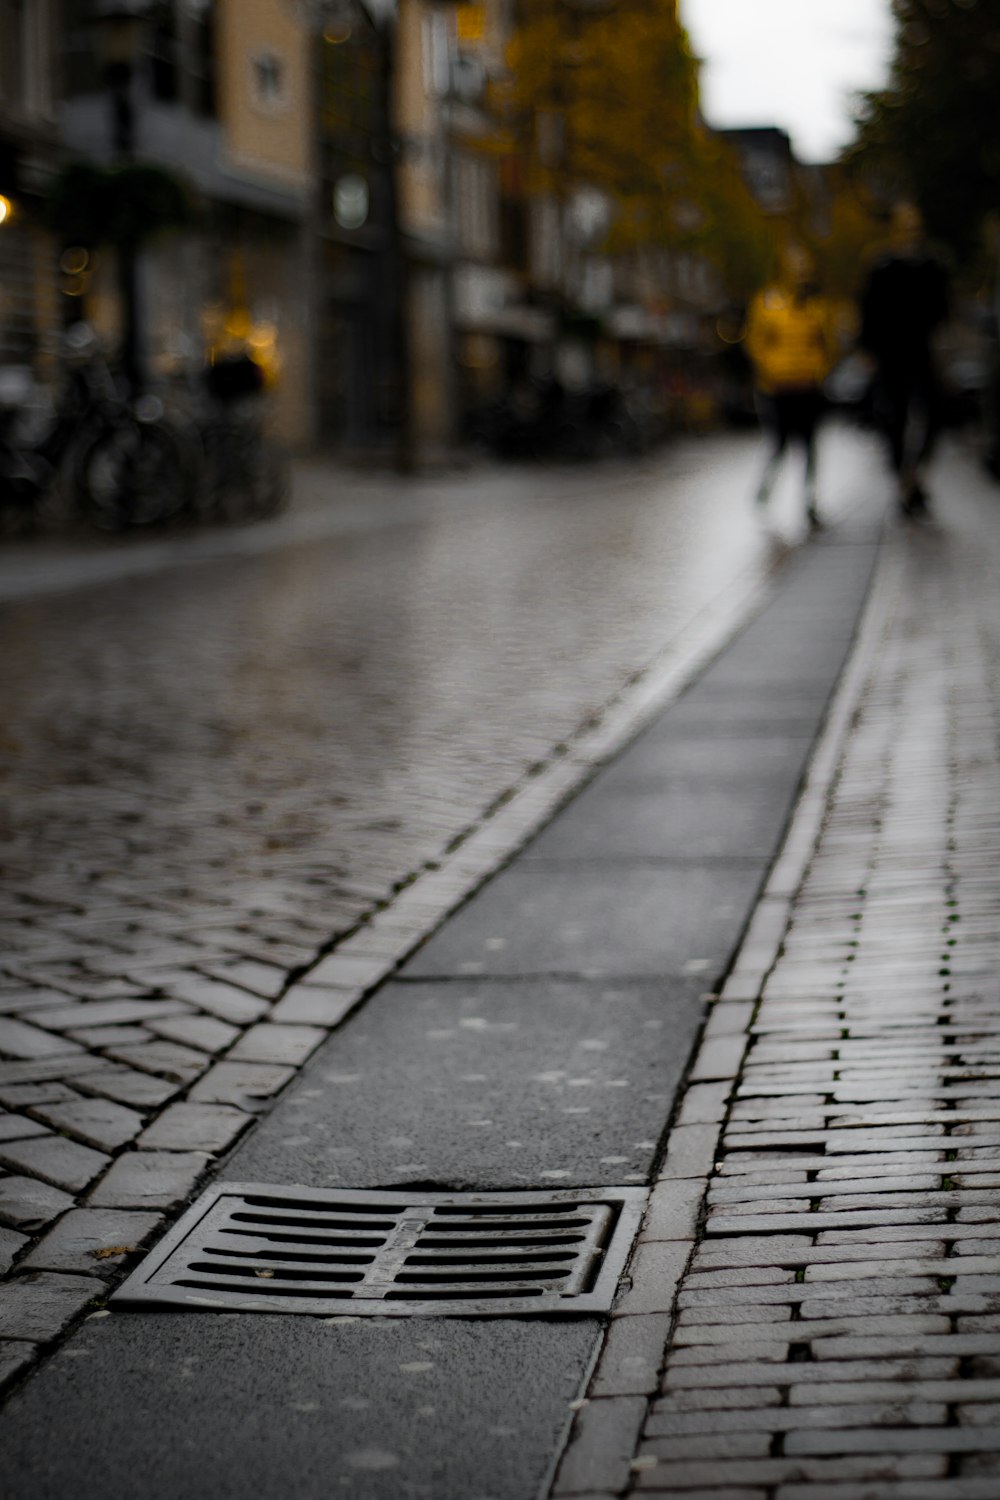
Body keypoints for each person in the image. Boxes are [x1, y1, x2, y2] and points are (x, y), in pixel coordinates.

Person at [859, 202, 950, 517]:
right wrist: (868, 351)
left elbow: (943, 310)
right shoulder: (881, 267)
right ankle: (903, 480)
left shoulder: (932, 265)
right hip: (890, 355)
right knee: (892, 420)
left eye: (916, 225)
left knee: (936, 414)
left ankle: (915, 474)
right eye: (906, 225)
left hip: (922, 351)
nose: (912, 231)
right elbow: (867, 311)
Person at [745, 245, 837, 529]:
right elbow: (756, 343)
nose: (801, 275)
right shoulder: (766, 303)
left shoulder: (817, 308)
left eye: (805, 270)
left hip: (807, 387)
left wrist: (816, 371)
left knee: (809, 446)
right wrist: (771, 372)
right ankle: (765, 490)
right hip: (776, 388)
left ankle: (809, 501)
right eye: (796, 269)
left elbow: (827, 345)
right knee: (779, 443)